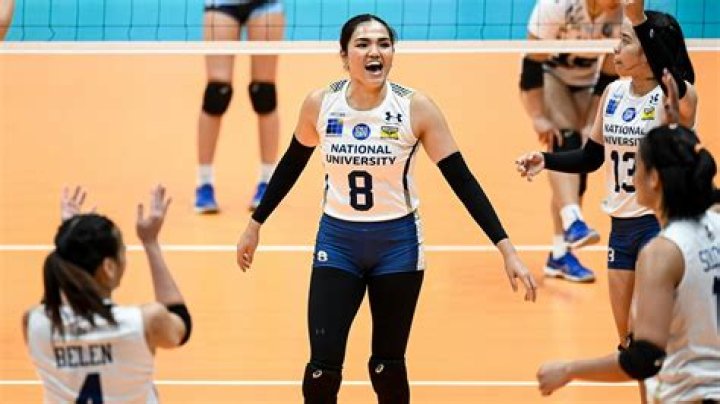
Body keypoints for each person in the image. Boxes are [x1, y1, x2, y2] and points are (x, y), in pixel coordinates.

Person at [236, 14, 538, 404]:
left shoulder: (416, 108)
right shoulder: (320, 104)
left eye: (383, 43)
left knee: (387, 367)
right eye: (362, 44)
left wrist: (506, 249)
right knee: (321, 371)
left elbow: (463, 181)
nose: (374, 52)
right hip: (338, 243)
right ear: (344, 55)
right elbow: (291, 165)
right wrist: (255, 224)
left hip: (398, 246)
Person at [516, 0, 698, 348]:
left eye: (625, 41)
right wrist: (546, 160)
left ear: (648, 52)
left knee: (652, 337)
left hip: (658, 225)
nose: (615, 47)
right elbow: (591, 156)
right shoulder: (614, 93)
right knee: (627, 342)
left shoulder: (674, 97)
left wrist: (638, 20)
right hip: (621, 228)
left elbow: (672, 78)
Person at [536, 124, 720, 403]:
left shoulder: (662, 253)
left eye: (637, 166)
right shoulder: (715, 221)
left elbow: (645, 359)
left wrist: (569, 370)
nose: (631, 175)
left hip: (690, 395)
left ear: (654, 179)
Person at [24, 185, 192, 403]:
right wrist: (150, 243)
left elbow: (53, 305)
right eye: (123, 250)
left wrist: (70, 242)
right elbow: (180, 323)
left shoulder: (34, 324)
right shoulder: (144, 322)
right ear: (109, 267)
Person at [519, 0, 624, 283]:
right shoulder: (556, 5)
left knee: (580, 161)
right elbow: (532, 64)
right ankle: (573, 219)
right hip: (549, 76)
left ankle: (559, 254)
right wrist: (538, 116)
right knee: (564, 140)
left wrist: (593, 121)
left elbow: (609, 74)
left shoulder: (622, 14)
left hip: (589, 82)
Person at [195, 0, 285, 213]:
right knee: (217, 93)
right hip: (222, 4)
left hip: (265, 5)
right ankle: (204, 183)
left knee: (264, 92)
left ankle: (267, 181)